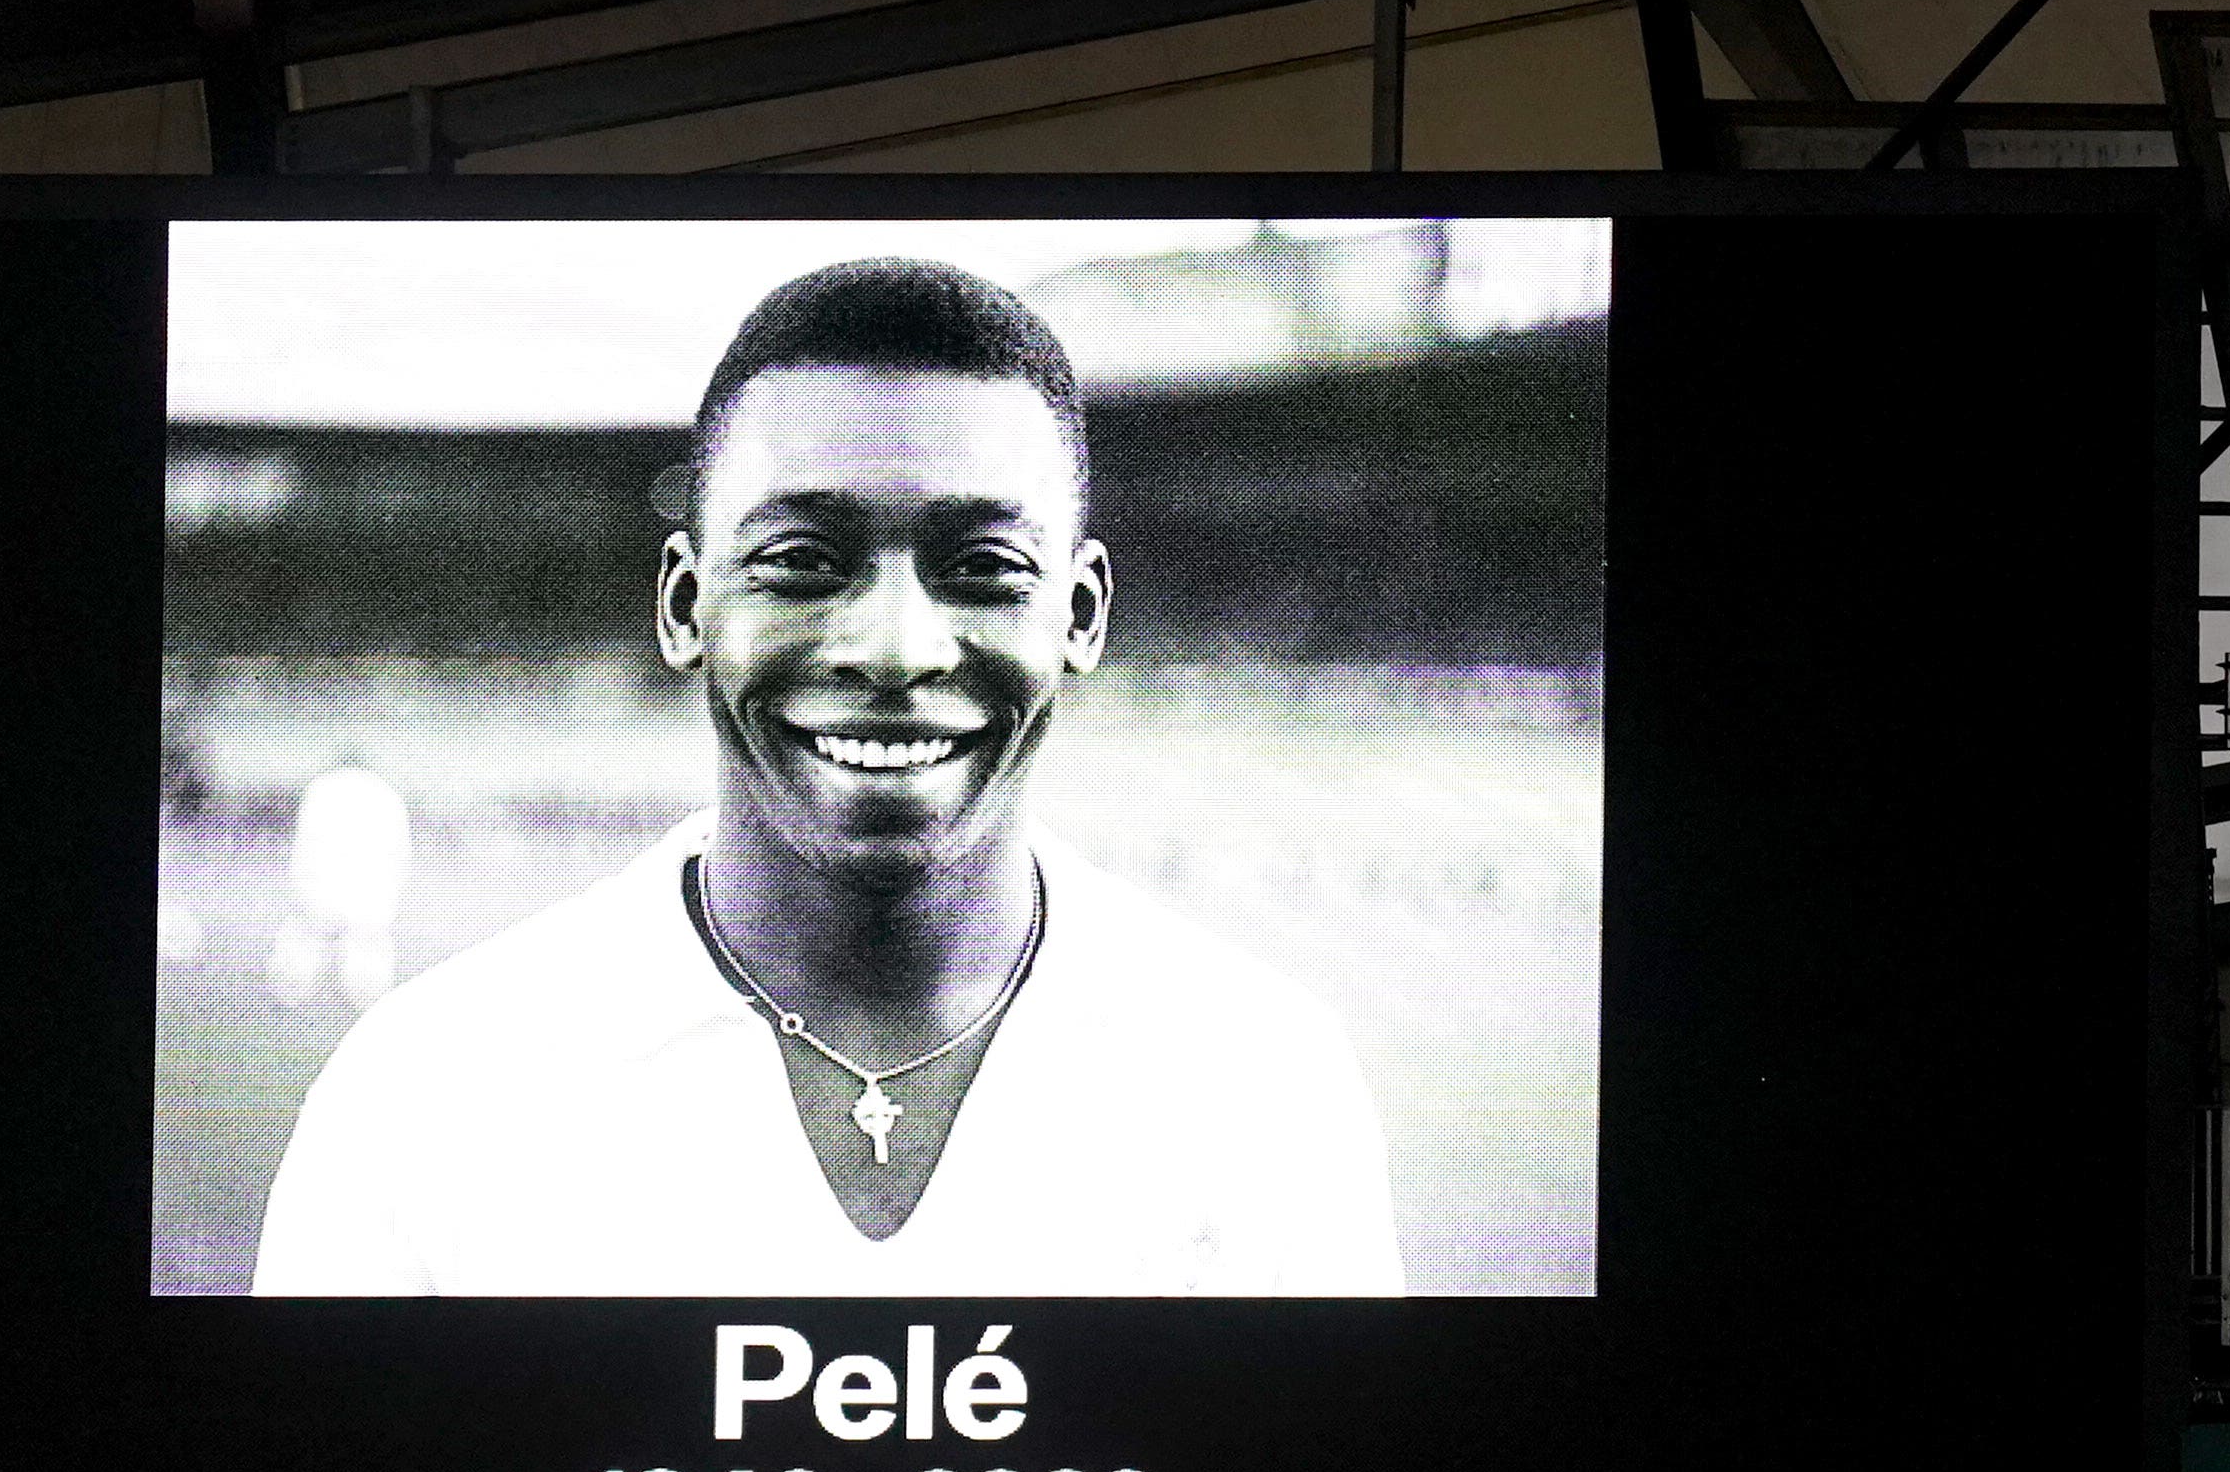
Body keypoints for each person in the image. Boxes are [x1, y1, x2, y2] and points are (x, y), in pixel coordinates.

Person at [251, 254, 1406, 1295]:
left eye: (984, 564)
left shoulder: (1265, 1086)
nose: (895, 648)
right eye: (801, 561)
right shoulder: (423, 1093)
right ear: (685, 604)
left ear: (1082, 612)